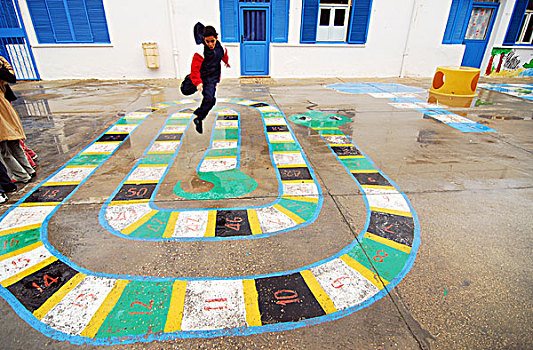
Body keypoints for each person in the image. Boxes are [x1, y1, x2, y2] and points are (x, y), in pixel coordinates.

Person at [180, 24, 230, 134]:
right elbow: (195, 70)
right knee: (185, 90)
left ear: (216, 38)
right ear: (204, 40)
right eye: (208, 42)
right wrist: (198, 83)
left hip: (211, 78)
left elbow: (224, 55)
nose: (211, 44)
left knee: (210, 100)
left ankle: (199, 118)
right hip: (200, 75)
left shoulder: (221, 48)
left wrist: (226, 62)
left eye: (212, 41)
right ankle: (188, 82)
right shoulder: (200, 52)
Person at [0, 56, 36, 183]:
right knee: (14, 144)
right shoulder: (2, 63)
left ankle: (21, 175)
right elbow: (10, 76)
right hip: (5, 107)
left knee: (3, 150)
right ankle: (28, 169)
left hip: (3, 112)